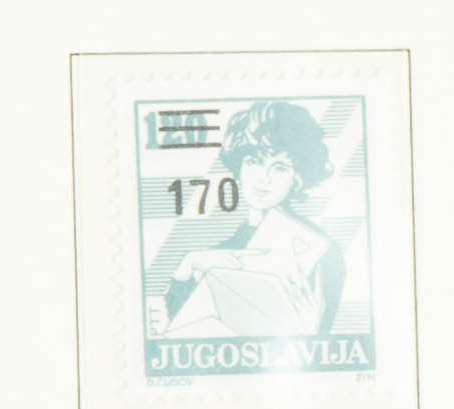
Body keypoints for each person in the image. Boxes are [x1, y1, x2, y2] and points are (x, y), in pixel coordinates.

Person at [145, 96, 354, 355]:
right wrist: (184, 271)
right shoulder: (216, 253)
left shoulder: (321, 252)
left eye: (280, 168)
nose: (263, 179)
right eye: (253, 161)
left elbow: (320, 344)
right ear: (239, 166)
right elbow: (179, 331)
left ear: (297, 178)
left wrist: (310, 335)